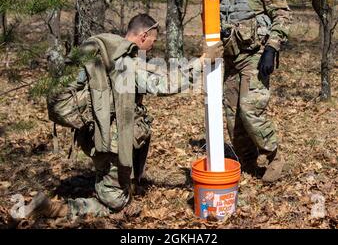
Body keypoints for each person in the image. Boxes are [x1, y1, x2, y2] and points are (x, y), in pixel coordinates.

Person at [22, 14, 220, 220]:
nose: (152, 47)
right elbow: (165, 83)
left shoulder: (107, 54)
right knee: (112, 205)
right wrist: (202, 63)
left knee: (122, 176)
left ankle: (120, 184)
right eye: (153, 41)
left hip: (96, 133)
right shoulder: (125, 63)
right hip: (111, 142)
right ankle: (52, 208)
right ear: (143, 36)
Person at [211, 0, 291, 182]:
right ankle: (247, 161)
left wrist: (272, 48)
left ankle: (275, 157)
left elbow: (283, 15)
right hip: (231, 59)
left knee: (250, 110)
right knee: (232, 114)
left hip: (255, 57)